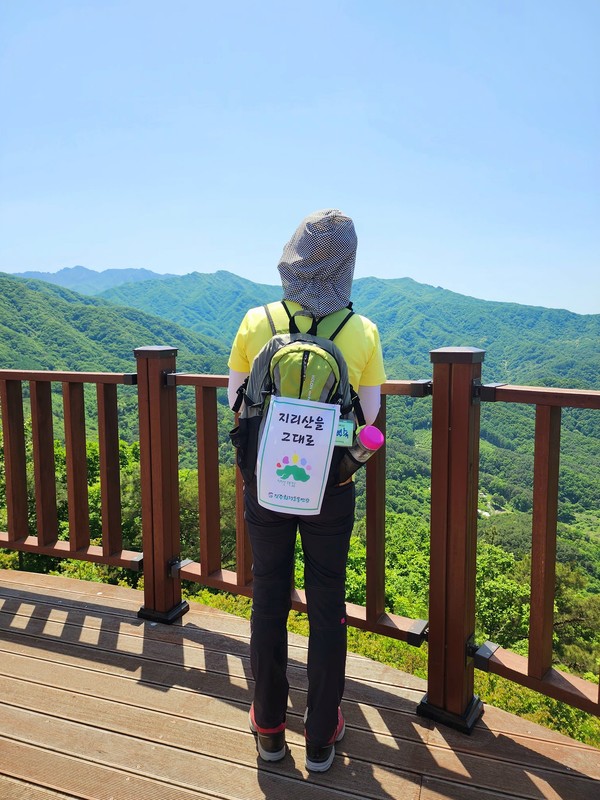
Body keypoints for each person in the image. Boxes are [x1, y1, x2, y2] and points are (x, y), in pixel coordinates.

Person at [227, 209, 386, 772]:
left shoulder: (256, 321)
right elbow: (367, 416)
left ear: (291, 258)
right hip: (329, 490)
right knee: (326, 603)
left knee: (269, 595)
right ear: (346, 267)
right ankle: (321, 734)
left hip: (267, 486)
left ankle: (269, 725)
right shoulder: (362, 333)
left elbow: (237, 405)